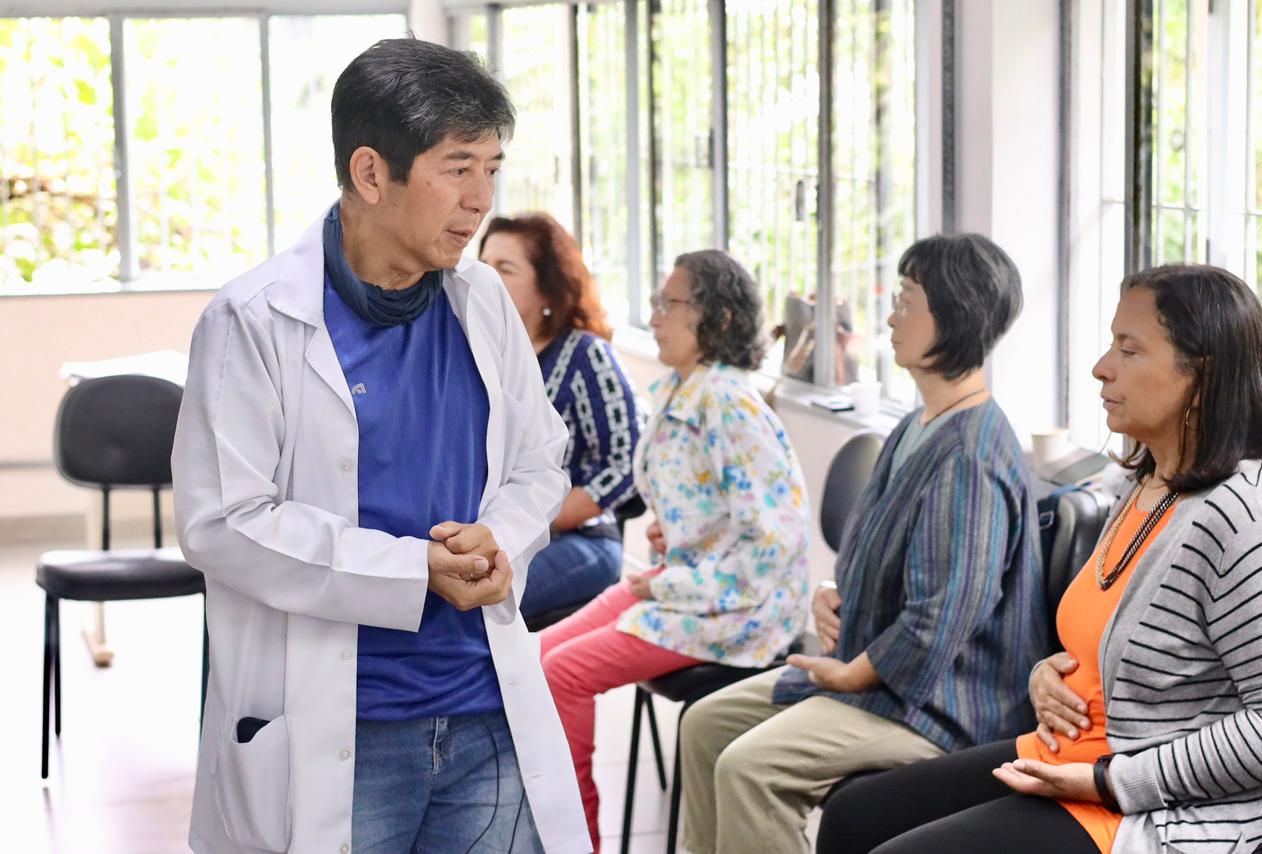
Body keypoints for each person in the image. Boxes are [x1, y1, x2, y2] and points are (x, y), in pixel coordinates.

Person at [172, 39, 590, 854]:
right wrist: (409, 569)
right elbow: (223, 520)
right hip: (348, 728)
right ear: (371, 174)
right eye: (457, 167)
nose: (481, 199)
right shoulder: (254, 321)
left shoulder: (481, 303)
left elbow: (541, 458)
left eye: (493, 168)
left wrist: (501, 534)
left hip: (485, 712)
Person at [817, 264, 1262, 854]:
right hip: (1075, 755)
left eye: (1129, 350)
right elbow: (1114, 645)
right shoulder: (1145, 480)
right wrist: (1046, 676)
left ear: (1201, 375)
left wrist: (1110, 782)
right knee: (853, 816)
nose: (1100, 367)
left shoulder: (1242, 517)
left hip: (1147, 805)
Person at [678, 233, 1047, 854]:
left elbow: (941, 617)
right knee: (704, 725)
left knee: (750, 769)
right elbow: (887, 559)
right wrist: (835, 594)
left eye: (908, 299)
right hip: (882, 679)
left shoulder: (971, 456)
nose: (891, 315)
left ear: (954, 315)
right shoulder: (917, 423)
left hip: (944, 707)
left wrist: (852, 672)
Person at [539, 249, 811, 851]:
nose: (656, 315)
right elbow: (715, 507)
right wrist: (680, 536)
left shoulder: (728, 404)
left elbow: (773, 546)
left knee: (559, 675)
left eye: (671, 304)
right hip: (687, 583)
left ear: (715, 320)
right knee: (535, 660)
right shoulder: (682, 389)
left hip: (742, 611)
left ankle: (578, 842)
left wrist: (664, 582)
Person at [478, 213, 645, 619]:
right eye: (482, 265)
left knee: (476, 604)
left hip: (577, 540)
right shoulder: (477, 352)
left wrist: (530, 521)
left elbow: (626, 462)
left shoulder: (587, 356)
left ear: (546, 289)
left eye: (505, 268)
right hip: (493, 534)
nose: (487, 277)